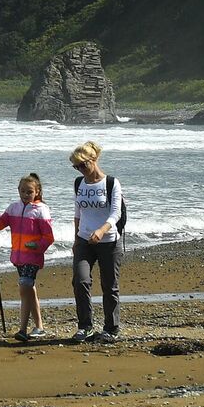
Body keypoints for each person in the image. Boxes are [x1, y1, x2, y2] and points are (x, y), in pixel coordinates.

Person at [68, 141, 124, 343]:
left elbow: (115, 213)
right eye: (76, 167)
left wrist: (101, 230)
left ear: (94, 160)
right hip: (84, 240)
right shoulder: (78, 183)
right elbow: (77, 213)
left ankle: (111, 328)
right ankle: (85, 327)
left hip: (109, 241)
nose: (81, 170)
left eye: (83, 165)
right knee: (80, 281)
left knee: (110, 286)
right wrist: (76, 239)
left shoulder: (111, 183)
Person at [0, 172, 55, 341]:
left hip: (33, 256)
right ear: (18, 190)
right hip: (18, 257)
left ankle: (22, 330)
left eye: (29, 192)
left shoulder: (41, 210)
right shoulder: (13, 208)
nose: (25, 195)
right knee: (29, 290)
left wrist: (36, 246)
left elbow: (48, 237)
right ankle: (39, 327)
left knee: (25, 286)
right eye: (23, 191)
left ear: (37, 192)